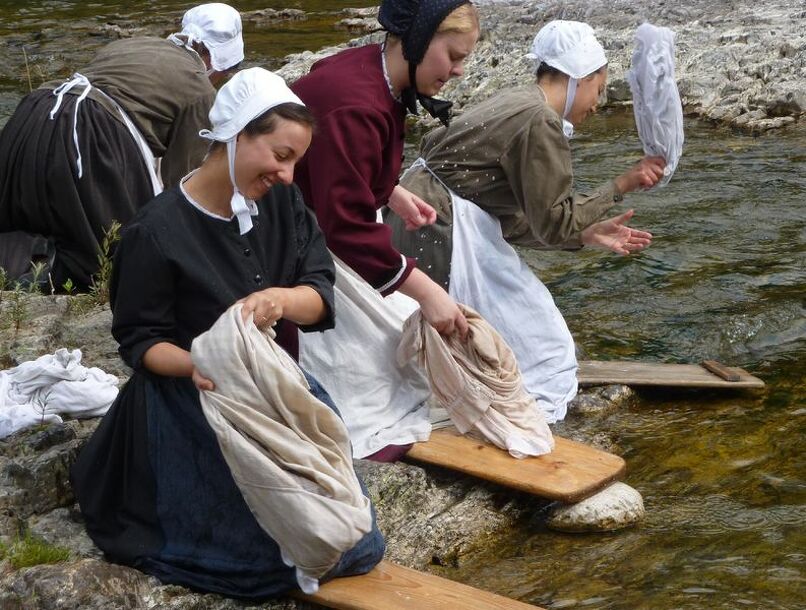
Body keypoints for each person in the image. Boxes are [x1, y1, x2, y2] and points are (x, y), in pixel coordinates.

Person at [69, 68, 384, 599]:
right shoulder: (155, 231)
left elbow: (319, 294)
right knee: (270, 560)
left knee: (353, 544)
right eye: (281, 156)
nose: (288, 175)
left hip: (271, 386)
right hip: (188, 401)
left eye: (296, 162)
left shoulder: (283, 203)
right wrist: (200, 363)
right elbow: (141, 344)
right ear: (237, 136)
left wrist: (279, 300)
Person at [391, 20, 666, 422]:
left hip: (415, 218)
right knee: (545, 348)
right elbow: (554, 222)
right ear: (581, 78)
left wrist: (584, 235)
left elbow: (514, 217)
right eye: (600, 88)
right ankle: (493, 418)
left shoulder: (517, 101)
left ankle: (443, 400)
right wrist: (622, 184)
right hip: (441, 228)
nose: (599, 102)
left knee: (439, 336)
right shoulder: (540, 120)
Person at [290, 0, 481, 461]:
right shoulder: (356, 103)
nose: (456, 71)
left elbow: (338, 168)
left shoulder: (371, 73)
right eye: (452, 56)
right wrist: (429, 293)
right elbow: (345, 228)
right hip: (292, 242)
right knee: (378, 376)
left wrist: (388, 191)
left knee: (403, 348)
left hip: (319, 221)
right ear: (416, 42)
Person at [0, 2, 244, 290]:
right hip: (91, 131)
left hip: (34, 114)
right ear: (215, 60)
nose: (219, 80)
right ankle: (36, 274)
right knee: (112, 257)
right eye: (225, 72)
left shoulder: (133, 45)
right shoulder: (199, 89)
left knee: (23, 217)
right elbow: (185, 183)